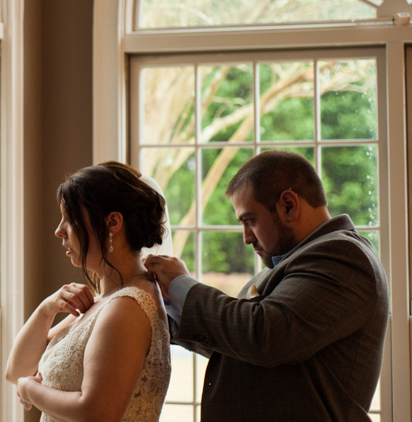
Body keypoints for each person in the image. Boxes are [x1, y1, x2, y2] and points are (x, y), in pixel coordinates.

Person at [145, 150, 389, 421]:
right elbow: (239, 342)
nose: (246, 238)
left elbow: (265, 334)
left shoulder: (343, 255)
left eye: (249, 220)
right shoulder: (287, 264)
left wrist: (182, 285)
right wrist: (168, 315)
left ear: (288, 205)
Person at [5, 162, 171, 422]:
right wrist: (46, 310)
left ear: (112, 223)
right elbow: (17, 370)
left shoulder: (127, 306)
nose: (59, 231)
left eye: (70, 219)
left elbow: (97, 412)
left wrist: (30, 389)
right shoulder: (102, 302)